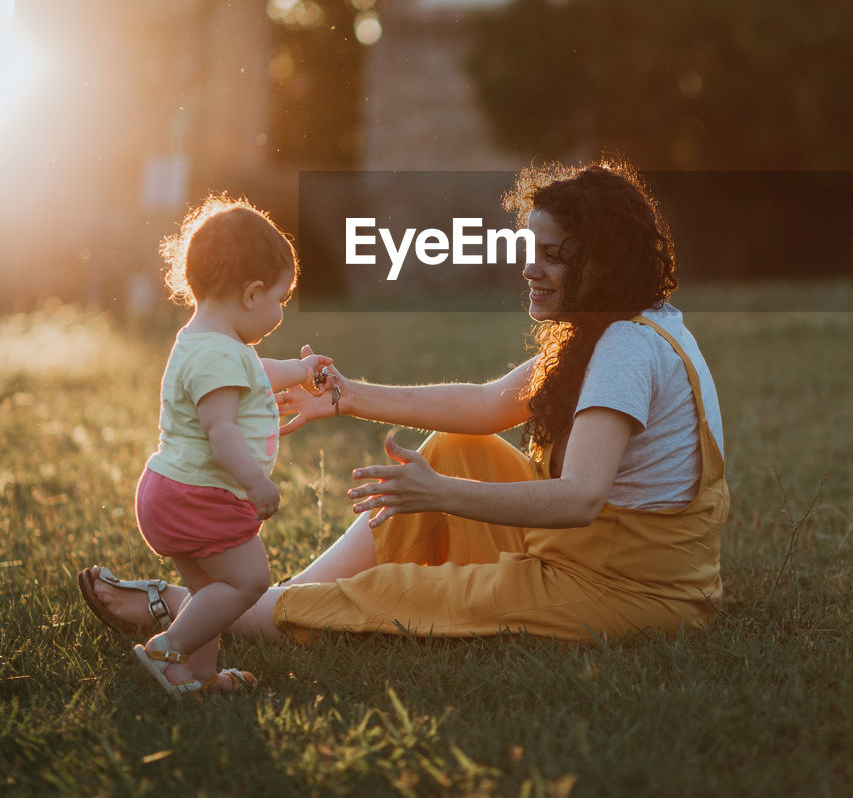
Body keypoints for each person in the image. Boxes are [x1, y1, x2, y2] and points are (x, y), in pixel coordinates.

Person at [80, 162, 729, 653]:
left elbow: (578, 498)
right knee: (457, 447)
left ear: (602, 261)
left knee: (399, 594)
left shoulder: (622, 348)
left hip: (624, 591)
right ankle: (275, 606)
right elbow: (486, 404)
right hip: (596, 554)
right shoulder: (624, 327)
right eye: (528, 250)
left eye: (552, 255)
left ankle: (184, 607)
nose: (530, 270)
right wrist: (345, 395)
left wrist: (438, 493)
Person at [80, 194, 333, 696]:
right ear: (252, 293)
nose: (281, 311)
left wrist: (302, 372)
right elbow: (221, 433)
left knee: (208, 589)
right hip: (200, 494)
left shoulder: (208, 342)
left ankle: (193, 676)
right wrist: (256, 482)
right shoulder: (220, 355)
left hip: (173, 491)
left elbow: (258, 374)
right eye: (280, 299)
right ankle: (165, 648)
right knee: (248, 582)